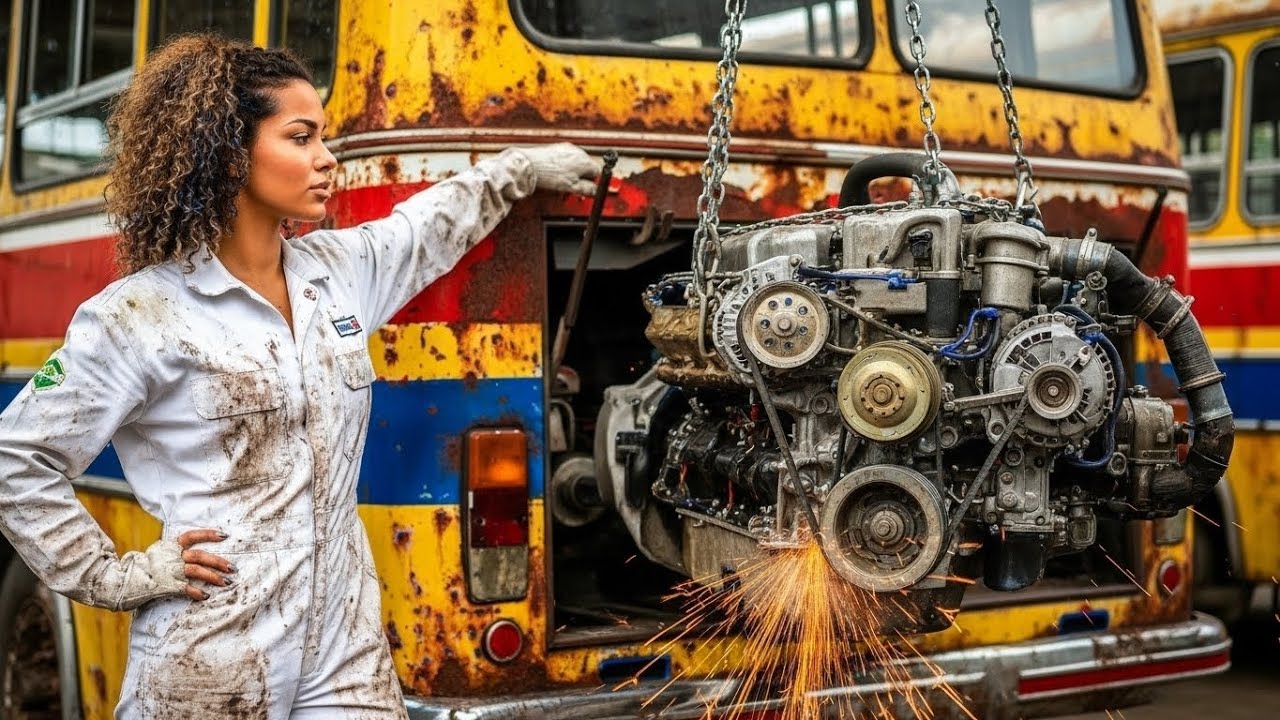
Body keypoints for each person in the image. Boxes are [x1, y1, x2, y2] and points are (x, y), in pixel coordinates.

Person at [0, 34, 599, 718]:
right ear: (229, 154)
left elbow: (425, 229)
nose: (326, 158)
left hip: (346, 649)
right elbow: (17, 458)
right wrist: (117, 576)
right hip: (213, 650)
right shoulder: (138, 315)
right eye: (301, 137)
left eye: (323, 137)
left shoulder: (336, 273)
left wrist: (520, 169)